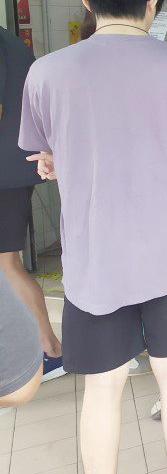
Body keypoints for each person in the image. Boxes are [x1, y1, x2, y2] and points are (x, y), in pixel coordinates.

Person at [19, 0, 167, 473]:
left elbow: (47, 151)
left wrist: (64, 162)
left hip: (96, 252)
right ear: (154, 1)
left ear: (87, 1)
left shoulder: (46, 72)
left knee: (102, 386)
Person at [0, 25, 63, 380]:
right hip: (14, 167)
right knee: (7, 264)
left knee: (6, 265)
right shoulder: (11, 42)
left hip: (5, 173)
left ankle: (50, 351)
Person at [0, 273, 43, 408]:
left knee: (11, 267)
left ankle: (51, 348)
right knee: (12, 267)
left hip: (18, 374)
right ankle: (51, 348)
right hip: (20, 372)